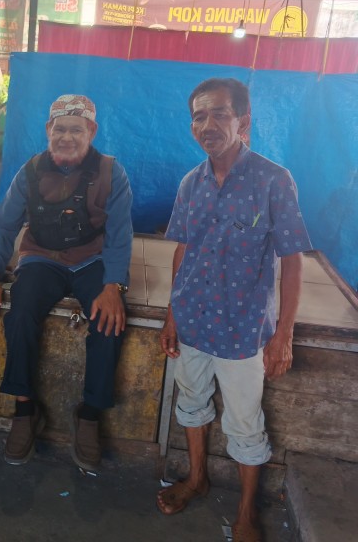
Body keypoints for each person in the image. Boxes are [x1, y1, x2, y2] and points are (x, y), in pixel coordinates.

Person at [156, 78, 312, 542]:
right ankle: (197, 478)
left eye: (219, 113)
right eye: (199, 116)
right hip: (192, 321)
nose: (208, 125)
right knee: (191, 402)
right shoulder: (191, 183)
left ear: (243, 121)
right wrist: (171, 314)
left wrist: (283, 334)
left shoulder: (273, 180)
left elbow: (293, 261)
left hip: (243, 329)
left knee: (245, 421)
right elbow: (183, 250)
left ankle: (246, 512)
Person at [0, 94, 133, 469]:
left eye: (76, 130)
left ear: (91, 131)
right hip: (42, 258)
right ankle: (25, 410)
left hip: (92, 259)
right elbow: (5, 225)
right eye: (59, 128)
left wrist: (114, 285)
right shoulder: (30, 171)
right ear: (48, 129)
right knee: (20, 312)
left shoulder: (112, 172)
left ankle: (89, 415)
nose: (66, 137)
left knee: (109, 321)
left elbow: (120, 235)